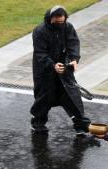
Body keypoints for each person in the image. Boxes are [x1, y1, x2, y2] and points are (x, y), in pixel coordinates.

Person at [30, 5, 90, 134]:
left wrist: (74, 59)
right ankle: (38, 123)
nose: (59, 24)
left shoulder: (68, 27)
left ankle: (80, 124)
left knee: (72, 95)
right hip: (45, 70)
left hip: (64, 67)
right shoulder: (39, 31)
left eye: (62, 22)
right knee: (44, 96)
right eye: (56, 22)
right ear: (49, 19)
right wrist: (53, 65)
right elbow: (40, 53)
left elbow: (73, 43)